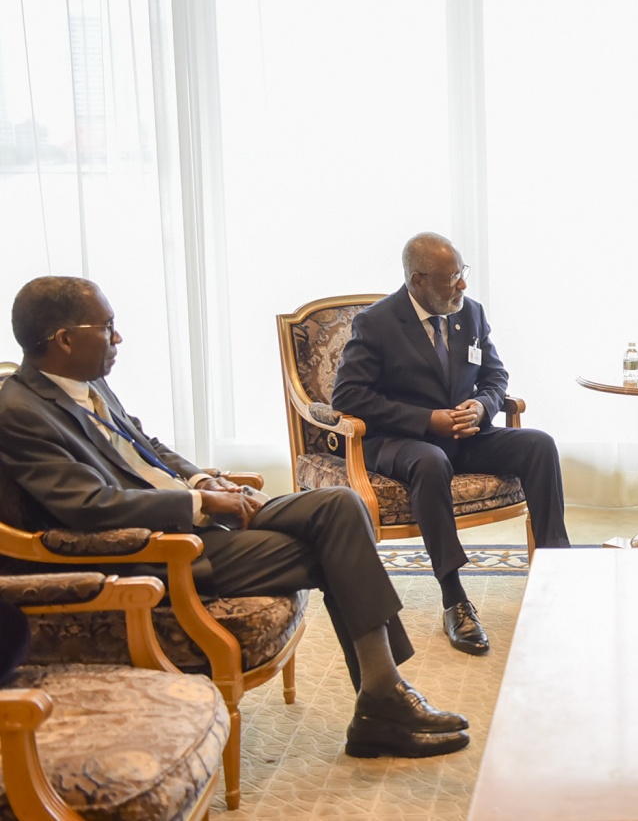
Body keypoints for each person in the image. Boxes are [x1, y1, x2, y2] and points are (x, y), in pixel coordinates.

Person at [0, 276, 469, 760]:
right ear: (65, 340)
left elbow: (147, 446)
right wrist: (199, 505)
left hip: (195, 515)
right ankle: (382, 698)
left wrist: (204, 481)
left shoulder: (88, 382)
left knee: (340, 504)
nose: (117, 337)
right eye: (107, 327)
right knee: (339, 547)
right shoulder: (21, 411)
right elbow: (89, 506)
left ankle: (381, 696)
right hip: (159, 549)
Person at [332, 232, 569, 656]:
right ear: (418, 281)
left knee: (539, 445)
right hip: (403, 441)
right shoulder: (376, 323)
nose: (462, 285)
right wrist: (426, 420)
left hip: (465, 434)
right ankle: (454, 598)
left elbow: (495, 376)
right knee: (430, 461)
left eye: (462, 273)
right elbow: (348, 397)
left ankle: (556, 573)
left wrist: (481, 406)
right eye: (451, 278)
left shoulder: (470, 313)